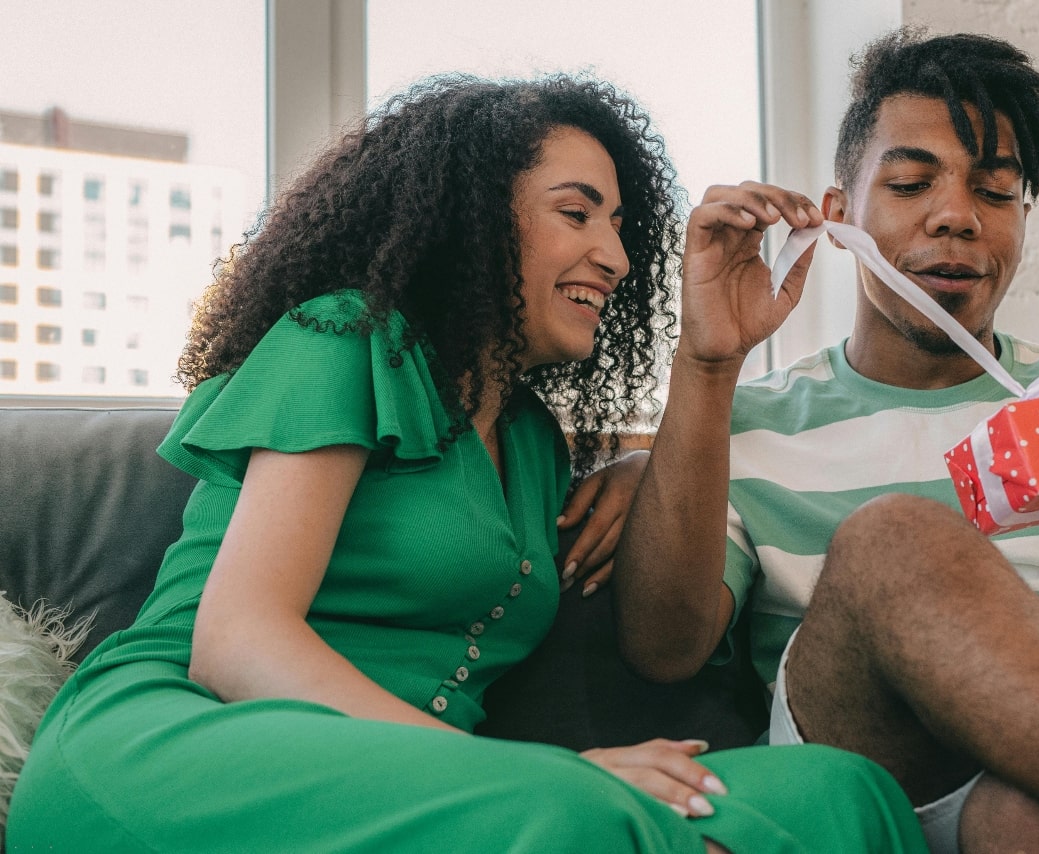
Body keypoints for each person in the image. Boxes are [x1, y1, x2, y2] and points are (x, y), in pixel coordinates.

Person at [6, 74, 928, 852]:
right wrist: (528, 771)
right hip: (182, 748)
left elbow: (664, 622)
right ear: (473, 217)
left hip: (417, 790)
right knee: (572, 810)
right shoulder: (343, 339)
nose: (612, 256)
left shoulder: (530, 441)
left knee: (843, 797)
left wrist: (659, 445)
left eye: (618, 226)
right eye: (576, 213)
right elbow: (237, 639)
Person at [613, 29, 1039, 854]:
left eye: (996, 194)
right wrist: (707, 364)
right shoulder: (745, 425)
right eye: (909, 182)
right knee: (894, 538)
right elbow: (662, 649)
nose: (958, 216)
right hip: (870, 757)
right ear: (838, 215)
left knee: (1025, 821)